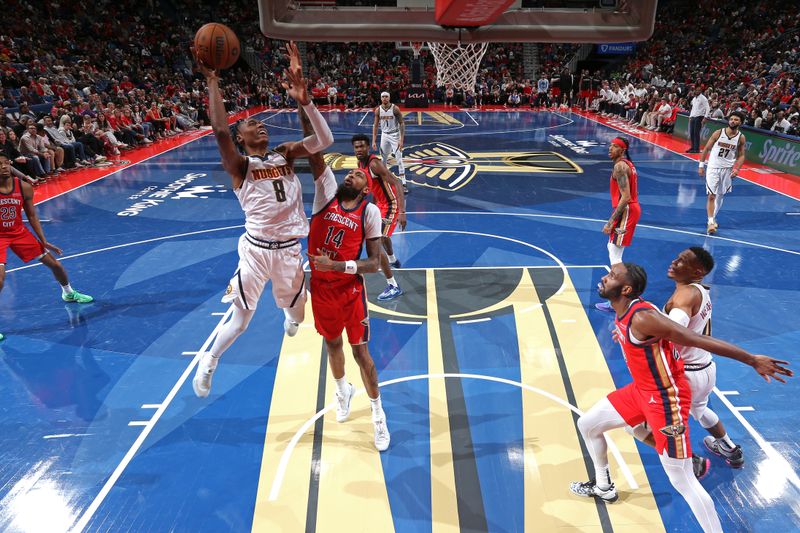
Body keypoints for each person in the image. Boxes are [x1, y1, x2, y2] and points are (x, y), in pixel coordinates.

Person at [570, 262, 792, 533]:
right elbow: (652, 340)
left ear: (626, 289)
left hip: (666, 400)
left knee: (682, 480)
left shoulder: (642, 317)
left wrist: (751, 359)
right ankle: (604, 486)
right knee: (589, 425)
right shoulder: (628, 313)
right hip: (642, 391)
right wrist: (625, 337)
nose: (605, 277)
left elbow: (694, 338)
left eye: (612, 276)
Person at [191, 42, 334, 398]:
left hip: (289, 251)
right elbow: (221, 132)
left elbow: (325, 139)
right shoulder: (240, 166)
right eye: (252, 125)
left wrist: (305, 100)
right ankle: (208, 361)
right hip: (255, 251)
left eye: (261, 123)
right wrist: (212, 81)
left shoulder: (285, 153)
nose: (260, 127)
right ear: (242, 139)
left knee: (298, 315)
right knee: (241, 319)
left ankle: (290, 315)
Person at [302, 110, 390, 451]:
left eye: (356, 174)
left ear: (366, 187)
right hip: (321, 290)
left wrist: (338, 267)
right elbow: (312, 149)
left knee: (361, 354)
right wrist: (303, 101)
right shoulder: (325, 194)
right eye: (349, 172)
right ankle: (342, 391)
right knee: (332, 345)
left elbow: (373, 263)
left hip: (350, 291)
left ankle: (378, 416)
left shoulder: (370, 212)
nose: (351, 174)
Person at [625, 248, 743, 477]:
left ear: (697, 271)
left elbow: (671, 331)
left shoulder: (683, 298)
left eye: (682, 261)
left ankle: (691, 461)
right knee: (700, 409)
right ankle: (730, 448)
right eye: (676, 257)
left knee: (636, 425)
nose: (674, 261)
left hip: (683, 375)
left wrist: (635, 332)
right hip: (706, 368)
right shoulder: (700, 290)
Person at [0, 152, 94, 341]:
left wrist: (43, 240)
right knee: (0, 280)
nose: (3, 166)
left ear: (9, 164)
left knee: (56, 265)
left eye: (5, 163)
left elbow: (32, 216)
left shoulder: (24, 187)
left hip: (19, 233)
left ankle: (68, 293)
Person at [352, 133, 406, 301]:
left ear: (368, 147)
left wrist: (402, 212)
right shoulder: (360, 163)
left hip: (391, 204)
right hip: (379, 205)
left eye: (362, 146)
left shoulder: (374, 164)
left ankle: (393, 285)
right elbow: (373, 187)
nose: (359, 149)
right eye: (356, 147)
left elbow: (396, 182)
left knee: (377, 241)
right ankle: (393, 260)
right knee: (381, 238)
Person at [596, 137, 641, 312]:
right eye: (610, 145)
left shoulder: (620, 166)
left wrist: (610, 222)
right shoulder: (626, 164)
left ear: (622, 150)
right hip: (629, 210)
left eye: (614, 146)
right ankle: (625, 294)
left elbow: (626, 197)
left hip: (627, 210)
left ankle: (621, 297)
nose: (610, 148)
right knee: (613, 250)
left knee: (615, 256)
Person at [698, 111, 745, 235]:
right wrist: (701, 165)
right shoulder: (718, 133)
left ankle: (713, 217)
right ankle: (710, 222)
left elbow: (741, 155)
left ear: (740, 122)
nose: (733, 121)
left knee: (720, 195)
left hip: (727, 170)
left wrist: (737, 169)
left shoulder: (740, 137)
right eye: (731, 119)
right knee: (711, 195)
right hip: (713, 167)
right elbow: (706, 149)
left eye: (736, 120)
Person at [371, 91, 407, 193]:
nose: (385, 98)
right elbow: (375, 126)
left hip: (395, 135)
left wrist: (401, 139)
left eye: (386, 96)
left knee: (399, 160)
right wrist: (373, 141)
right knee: (384, 159)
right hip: (384, 135)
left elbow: (402, 123)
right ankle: (384, 180)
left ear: (389, 98)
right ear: (381, 98)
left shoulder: (395, 109)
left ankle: (403, 183)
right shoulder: (378, 110)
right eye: (383, 97)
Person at [687, 87, 709, 153]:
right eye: (696, 90)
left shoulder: (703, 98)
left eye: (699, 90)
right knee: (692, 133)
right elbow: (693, 108)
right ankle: (692, 147)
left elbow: (708, 108)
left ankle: (696, 149)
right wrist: (690, 117)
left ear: (701, 91)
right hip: (693, 117)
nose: (697, 91)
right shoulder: (694, 99)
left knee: (696, 133)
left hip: (699, 117)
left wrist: (705, 117)